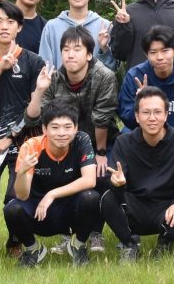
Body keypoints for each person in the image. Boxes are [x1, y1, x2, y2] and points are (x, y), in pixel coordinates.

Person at [24, 26, 119, 255]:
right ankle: (66, 233)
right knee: (57, 175)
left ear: (89, 54)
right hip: (62, 140)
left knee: (101, 175)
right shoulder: (54, 79)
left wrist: (101, 152)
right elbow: (32, 118)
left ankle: (95, 232)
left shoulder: (104, 76)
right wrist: (39, 90)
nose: (70, 54)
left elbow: (102, 118)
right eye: (65, 49)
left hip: (100, 139)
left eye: (77, 49)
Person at [0, 0, 48, 243]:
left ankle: (15, 240)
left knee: (16, 192)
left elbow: (35, 109)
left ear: (19, 28)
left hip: (25, 139)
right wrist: (1, 69)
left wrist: (10, 135)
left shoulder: (34, 61)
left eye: (11, 22)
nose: (4, 27)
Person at [100, 87, 174, 261]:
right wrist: (117, 184)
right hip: (135, 205)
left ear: (166, 115)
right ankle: (129, 244)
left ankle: (165, 242)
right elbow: (116, 179)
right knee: (106, 198)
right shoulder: (124, 142)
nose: (152, 118)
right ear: (137, 117)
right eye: (146, 112)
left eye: (157, 112)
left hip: (168, 205)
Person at [4, 104, 101, 267]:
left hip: (70, 210)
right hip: (38, 211)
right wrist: (21, 173)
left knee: (92, 198)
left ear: (76, 128)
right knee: (12, 209)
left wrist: (52, 194)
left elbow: (90, 180)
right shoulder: (31, 146)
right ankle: (33, 249)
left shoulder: (82, 140)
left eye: (67, 127)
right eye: (55, 127)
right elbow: (21, 196)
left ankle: (78, 245)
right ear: (44, 129)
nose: (62, 133)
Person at [118, 26, 174, 136]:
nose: (159, 57)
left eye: (165, 51)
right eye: (153, 52)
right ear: (146, 54)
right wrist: (140, 102)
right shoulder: (135, 76)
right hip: (144, 139)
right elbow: (127, 119)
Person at [37, 0, 118, 70]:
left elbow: (113, 69)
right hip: (59, 85)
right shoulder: (51, 27)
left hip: (96, 85)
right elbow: (44, 66)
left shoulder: (105, 26)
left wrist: (104, 48)